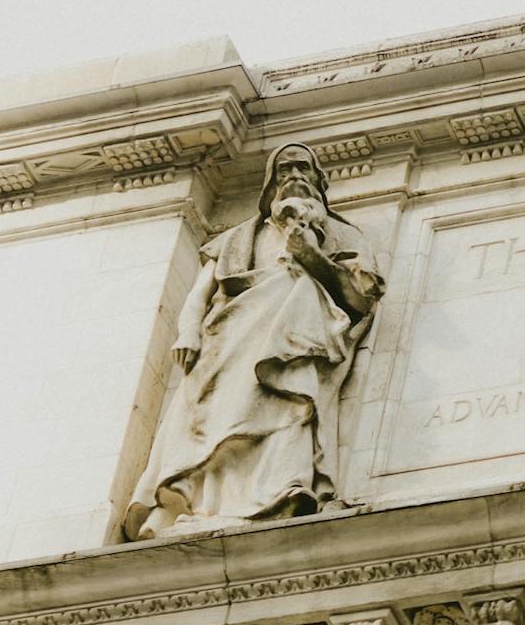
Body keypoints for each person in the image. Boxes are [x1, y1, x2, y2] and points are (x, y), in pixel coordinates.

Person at [124, 143, 384, 539]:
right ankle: (200, 504)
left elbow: (362, 297)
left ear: (318, 180)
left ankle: (277, 493)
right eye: (284, 171)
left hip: (296, 343)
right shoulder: (238, 237)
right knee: (213, 415)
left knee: (291, 406)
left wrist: (311, 256)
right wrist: (189, 330)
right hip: (229, 339)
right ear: (270, 185)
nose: (293, 177)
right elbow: (200, 292)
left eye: (302, 168)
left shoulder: (344, 235)